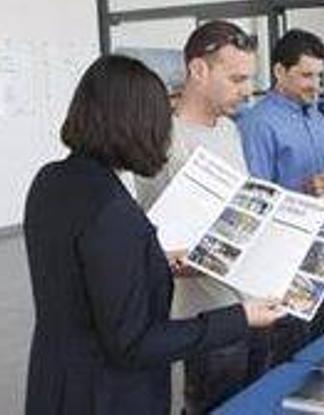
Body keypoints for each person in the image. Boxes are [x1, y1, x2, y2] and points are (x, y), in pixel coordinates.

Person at [23, 55, 285, 415]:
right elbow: (135, 343)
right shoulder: (112, 210)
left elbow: (82, 273)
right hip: (108, 396)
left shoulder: (51, 180)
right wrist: (240, 317)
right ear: (135, 122)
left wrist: (152, 260)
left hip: (56, 383)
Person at [134, 20, 258, 413]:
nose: (247, 90)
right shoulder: (163, 141)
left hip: (252, 303)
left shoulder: (229, 130)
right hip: (206, 319)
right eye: (237, 79)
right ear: (199, 70)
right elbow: (160, 246)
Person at [237, 28, 324, 367]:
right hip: (282, 261)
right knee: (286, 354)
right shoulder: (259, 123)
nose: (316, 84)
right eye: (306, 75)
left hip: (320, 252)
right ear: (280, 72)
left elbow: (322, 175)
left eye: (319, 75)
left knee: (315, 346)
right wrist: (304, 190)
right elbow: (254, 200)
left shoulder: (316, 117)